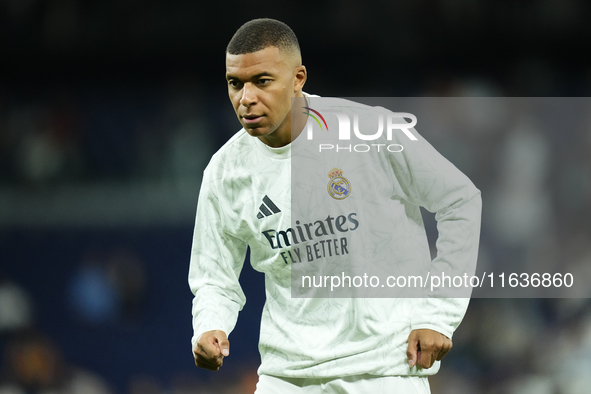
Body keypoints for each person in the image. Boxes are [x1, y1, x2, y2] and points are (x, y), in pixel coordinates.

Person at [188, 18, 481, 393]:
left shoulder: (372, 131)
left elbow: (460, 200)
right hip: (287, 376)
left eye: (262, 81)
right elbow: (215, 277)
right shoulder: (225, 171)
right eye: (235, 84)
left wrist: (439, 314)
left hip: (385, 370)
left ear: (298, 79)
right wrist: (211, 325)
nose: (246, 98)